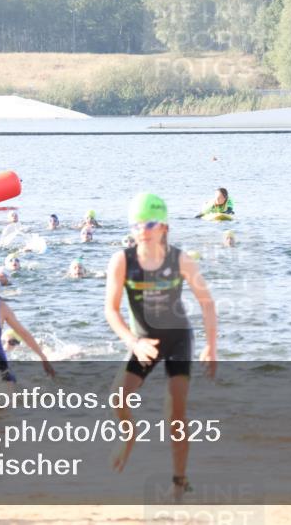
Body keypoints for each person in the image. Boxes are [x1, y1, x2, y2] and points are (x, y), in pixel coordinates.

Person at [104, 193, 218, 499]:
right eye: (137, 223)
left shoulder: (180, 259)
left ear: (164, 226)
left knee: (174, 414)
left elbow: (206, 303)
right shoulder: (122, 261)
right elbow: (111, 310)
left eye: (150, 223)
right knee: (117, 399)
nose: (143, 229)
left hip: (177, 339)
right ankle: (129, 436)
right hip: (143, 340)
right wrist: (133, 342)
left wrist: (210, 347)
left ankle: (179, 482)